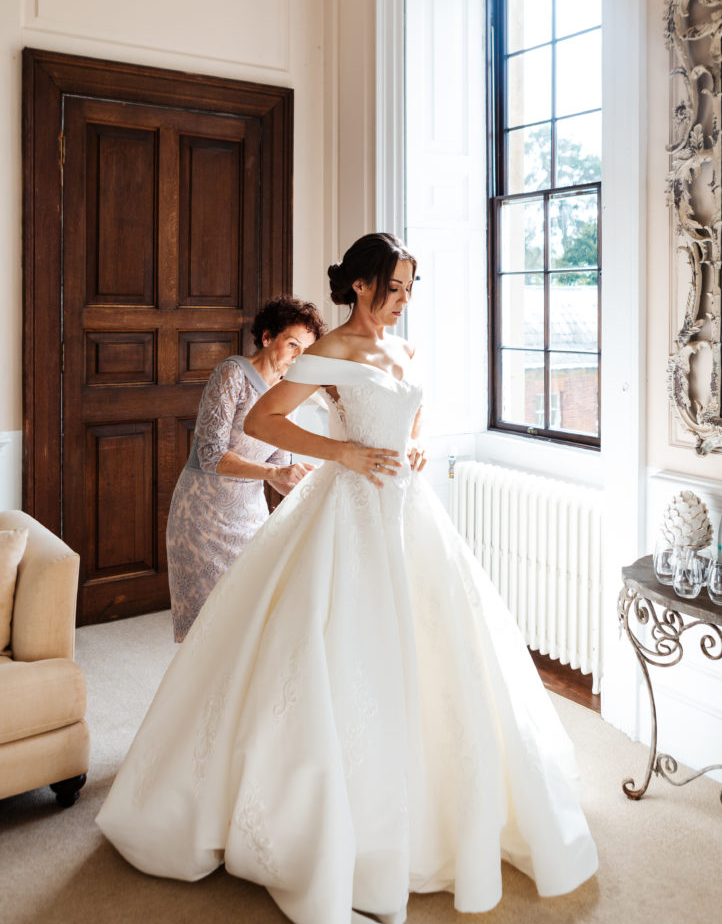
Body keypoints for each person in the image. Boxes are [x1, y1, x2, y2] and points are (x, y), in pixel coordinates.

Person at [97, 233, 598, 923]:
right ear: (360, 286)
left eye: (409, 289)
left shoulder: (404, 348)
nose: (402, 301)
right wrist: (343, 453)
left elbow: (411, 409)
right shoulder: (331, 351)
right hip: (350, 506)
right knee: (332, 645)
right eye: (393, 288)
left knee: (446, 646)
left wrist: (416, 442)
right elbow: (261, 416)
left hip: (409, 512)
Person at [166, 295, 324, 641]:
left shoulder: (287, 395)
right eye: (292, 344)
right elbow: (210, 454)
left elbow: (280, 469)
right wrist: (276, 475)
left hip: (250, 519)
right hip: (202, 518)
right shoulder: (232, 373)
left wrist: (315, 487)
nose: (298, 357)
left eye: (305, 351)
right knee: (208, 632)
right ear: (267, 337)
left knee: (251, 623)